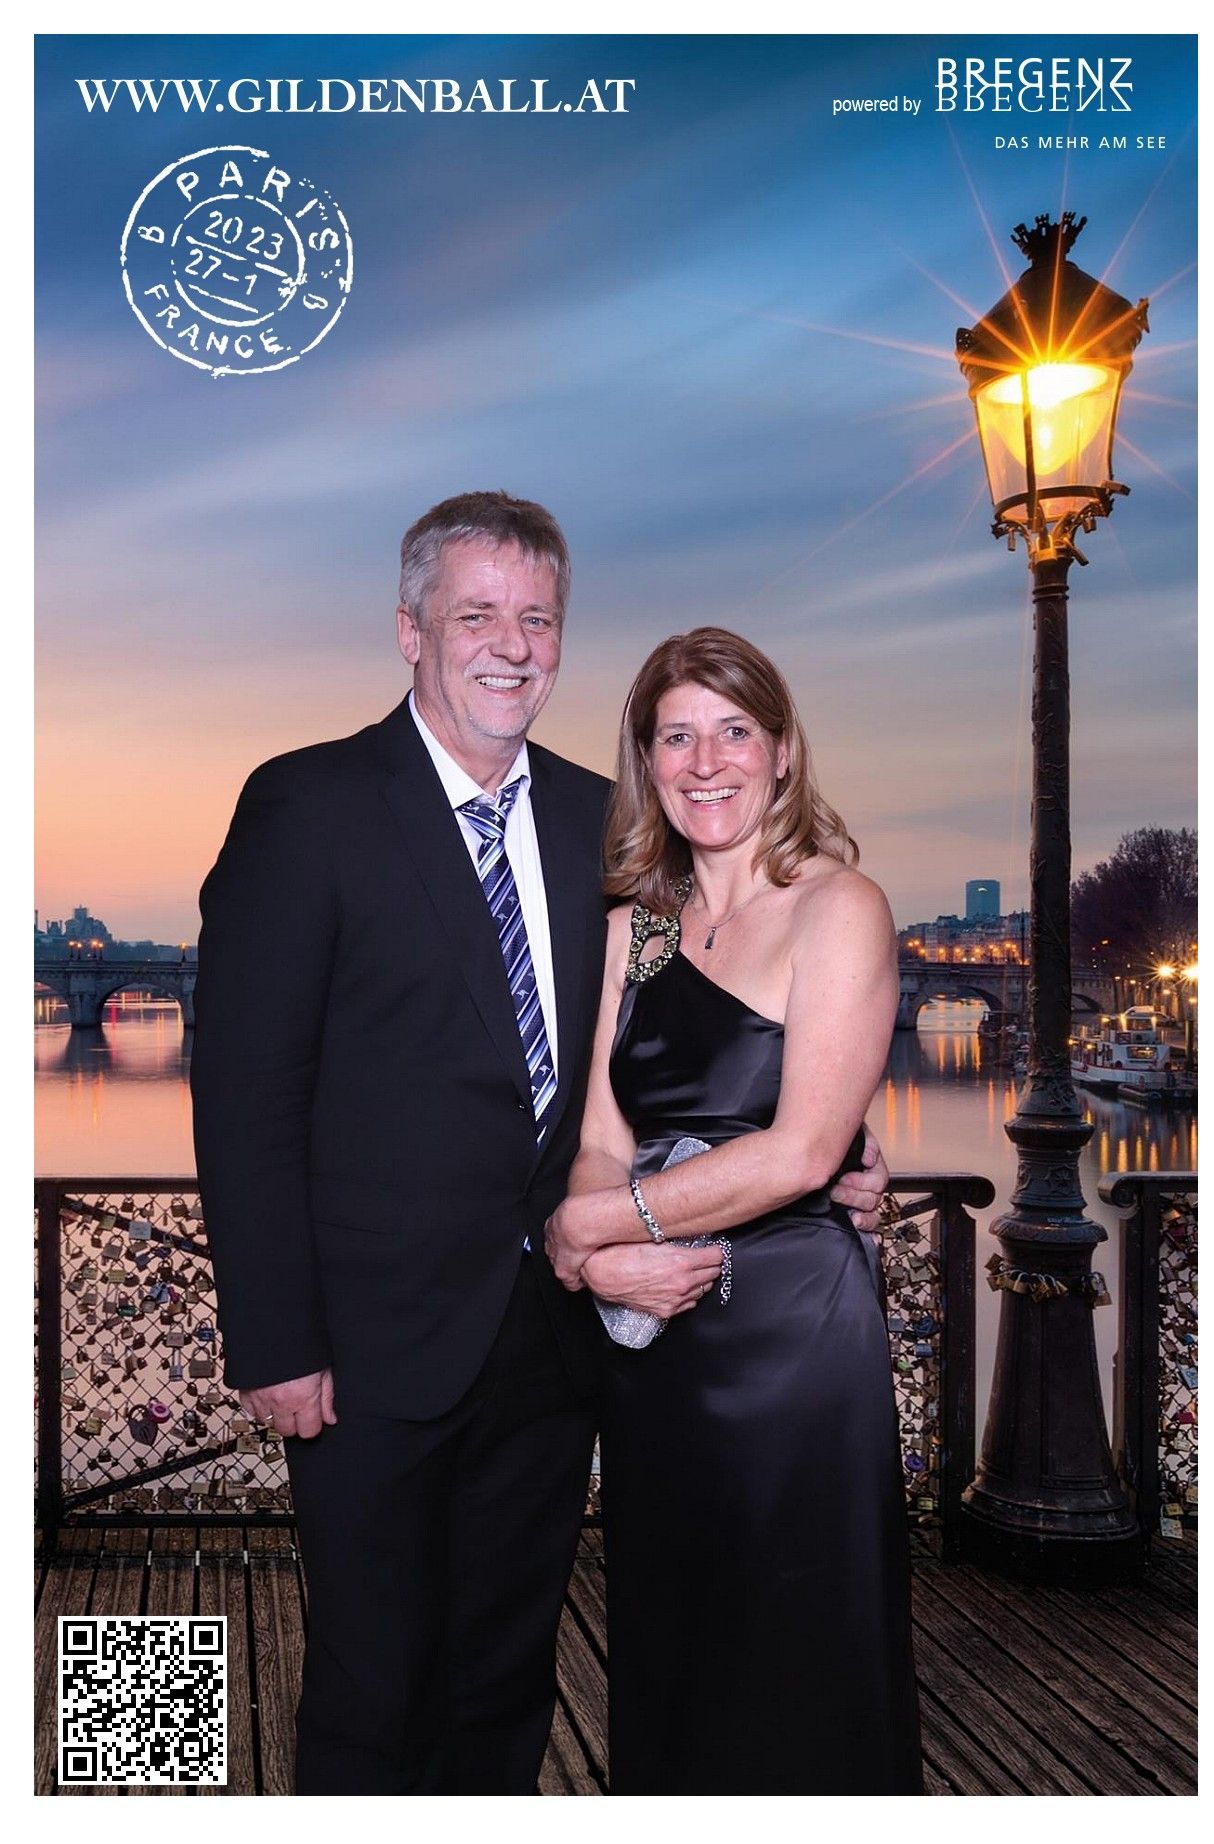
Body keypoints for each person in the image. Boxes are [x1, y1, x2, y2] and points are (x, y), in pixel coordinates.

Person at [190, 492, 891, 1796]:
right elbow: (245, 1097)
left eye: (538, 618)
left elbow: (685, 1039)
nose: (511, 645)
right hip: (373, 1345)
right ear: (411, 630)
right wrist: (274, 1338)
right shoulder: (307, 804)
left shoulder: (605, 826)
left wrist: (841, 1146)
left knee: (505, 1680)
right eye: (477, 616)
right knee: (368, 1680)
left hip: (562, 1345)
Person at [545, 627, 923, 1795]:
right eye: (676, 736)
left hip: (790, 1338)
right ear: (646, 760)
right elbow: (600, 1134)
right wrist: (605, 1256)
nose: (705, 761)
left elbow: (803, 1150)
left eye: (733, 731)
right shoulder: (635, 928)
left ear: (782, 749)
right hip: (659, 1340)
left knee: (800, 1638)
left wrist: (591, 1231)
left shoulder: (837, 905)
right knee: (674, 1633)